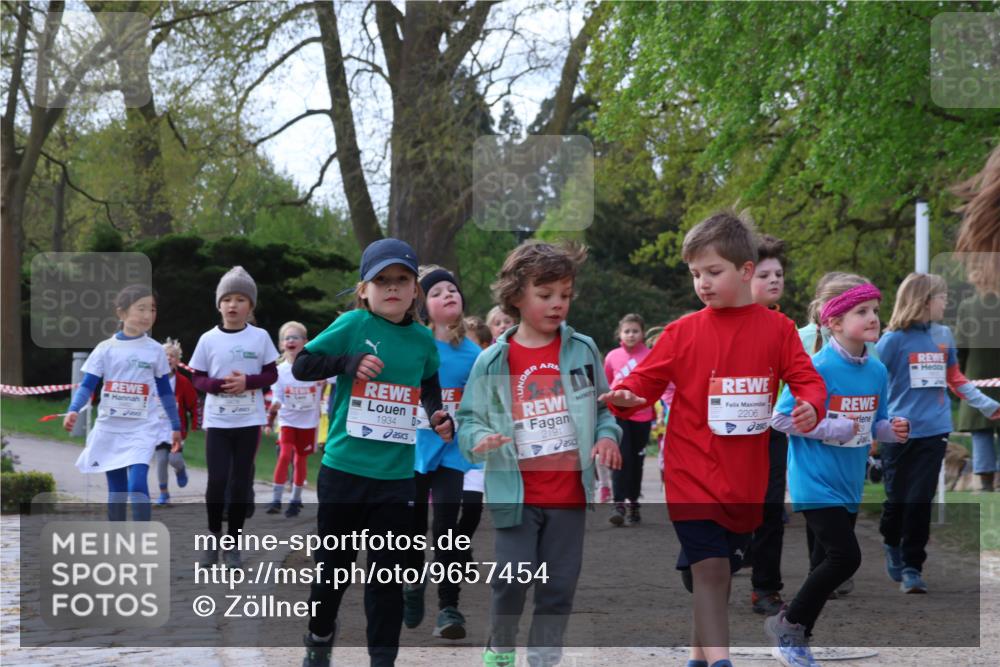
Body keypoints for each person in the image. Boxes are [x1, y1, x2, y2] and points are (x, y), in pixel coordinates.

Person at [601, 211, 826, 667]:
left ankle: (698, 658)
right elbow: (643, 382)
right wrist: (625, 397)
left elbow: (809, 380)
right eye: (695, 274)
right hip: (689, 475)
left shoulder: (778, 330)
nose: (702, 283)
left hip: (745, 483)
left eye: (713, 272)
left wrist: (810, 405)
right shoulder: (683, 332)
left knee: (720, 575)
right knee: (711, 569)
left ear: (745, 271)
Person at [457, 240, 622, 667]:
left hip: (568, 493)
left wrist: (607, 437)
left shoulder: (582, 350)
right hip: (516, 492)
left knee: (559, 586)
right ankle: (502, 644)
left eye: (565, 295)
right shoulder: (493, 360)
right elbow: (469, 418)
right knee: (512, 580)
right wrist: (479, 439)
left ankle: (544, 657)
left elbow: (603, 409)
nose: (557, 304)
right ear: (515, 297)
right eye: (545, 295)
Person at [292, 238, 453, 667]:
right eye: (381, 280)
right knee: (333, 571)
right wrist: (346, 363)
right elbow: (302, 365)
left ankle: (383, 660)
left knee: (387, 579)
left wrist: (437, 414)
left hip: (396, 479)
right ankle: (319, 636)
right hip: (344, 471)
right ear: (364, 289)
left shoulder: (422, 340)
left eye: (402, 280)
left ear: (415, 290)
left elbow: (430, 383)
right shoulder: (352, 325)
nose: (392, 288)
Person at [766, 277, 910, 666]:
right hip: (813, 481)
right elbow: (779, 418)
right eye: (861, 312)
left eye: (875, 311)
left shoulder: (877, 370)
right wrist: (831, 425)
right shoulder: (815, 367)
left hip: (849, 482)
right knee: (846, 559)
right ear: (834, 322)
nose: (872, 318)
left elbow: (871, 426)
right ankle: (788, 625)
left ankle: (797, 638)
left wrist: (891, 430)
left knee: (824, 564)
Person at [876, 272, 1000, 593]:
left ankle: (912, 568)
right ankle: (892, 542)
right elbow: (873, 382)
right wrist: (875, 424)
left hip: (935, 431)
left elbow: (956, 378)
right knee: (897, 502)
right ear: (924, 300)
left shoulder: (944, 335)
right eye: (942, 297)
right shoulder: (892, 341)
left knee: (920, 500)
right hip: (899, 433)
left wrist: (988, 406)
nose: (947, 302)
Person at [403, 266, 482, 640]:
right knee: (414, 529)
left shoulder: (474, 354)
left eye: (453, 289)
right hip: (413, 450)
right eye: (437, 292)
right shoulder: (413, 343)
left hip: (453, 451)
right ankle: (413, 581)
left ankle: (449, 607)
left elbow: (483, 403)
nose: (448, 294)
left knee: (448, 529)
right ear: (422, 305)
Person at [63, 285, 182, 521]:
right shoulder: (105, 349)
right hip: (110, 428)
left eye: (153, 309)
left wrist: (176, 426)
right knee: (116, 491)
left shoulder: (156, 350)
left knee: (137, 485)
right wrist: (73, 409)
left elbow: (165, 391)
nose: (148, 315)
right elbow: (87, 384)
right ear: (122, 313)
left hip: (142, 428)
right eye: (141, 309)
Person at [189, 266, 279, 569]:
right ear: (219, 304)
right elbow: (197, 377)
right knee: (216, 481)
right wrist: (216, 386)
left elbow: (271, 372)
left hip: (248, 421)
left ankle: (233, 545)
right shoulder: (208, 339)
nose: (233, 305)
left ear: (250, 306)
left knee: (240, 483)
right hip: (217, 420)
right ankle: (213, 538)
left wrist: (247, 383)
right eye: (227, 299)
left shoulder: (260, 337)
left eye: (241, 299)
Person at [951, 144, 1000, 492]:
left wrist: (963, 377)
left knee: (983, 438)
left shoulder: (970, 306)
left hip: (980, 384)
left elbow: (960, 350)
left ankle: (985, 483)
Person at [746, 235, 790, 615]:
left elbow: (800, 375)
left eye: (779, 273)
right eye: (765, 274)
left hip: (772, 429)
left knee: (771, 508)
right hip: (726, 433)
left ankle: (765, 587)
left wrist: (808, 401)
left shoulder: (783, 327)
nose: (775, 279)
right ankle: (710, 559)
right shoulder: (717, 324)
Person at [265, 321, 326, 517]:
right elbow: (277, 394)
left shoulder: (315, 367)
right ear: (282, 344)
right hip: (288, 420)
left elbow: (335, 377)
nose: (290, 341)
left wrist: (323, 382)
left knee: (300, 460)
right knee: (284, 455)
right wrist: (275, 404)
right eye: (286, 338)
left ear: (305, 342)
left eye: (295, 337)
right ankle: (276, 499)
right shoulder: (279, 370)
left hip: (308, 422)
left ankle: (295, 499)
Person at [604, 313, 654, 526]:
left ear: (642, 333)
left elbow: (655, 383)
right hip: (618, 415)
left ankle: (634, 503)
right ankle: (618, 504)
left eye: (635, 331)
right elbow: (606, 383)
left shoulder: (651, 355)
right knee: (620, 458)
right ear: (620, 334)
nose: (631, 335)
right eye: (627, 331)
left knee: (636, 461)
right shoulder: (612, 356)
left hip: (641, 415)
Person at [153, 337, 196, 505]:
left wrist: (195, 422)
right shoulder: (153, 379)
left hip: (175, 429)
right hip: (158, 427)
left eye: (172, 356)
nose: (168, 358)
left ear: (178, 360)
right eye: (165, 355)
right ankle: (164, 493)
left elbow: (193, 404)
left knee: (174, 459)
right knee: (162, 460)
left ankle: (181, 469)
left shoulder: (183, 382)